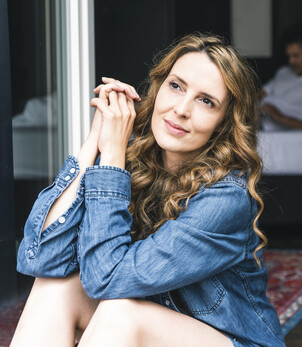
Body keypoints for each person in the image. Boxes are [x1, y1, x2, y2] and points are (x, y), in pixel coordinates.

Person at [12, 33, 285, 347]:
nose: (181, 108)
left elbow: (107, 280)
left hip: (230, 340)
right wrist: (96, 139)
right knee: (56, 288)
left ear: (224, 122)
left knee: (120, 311)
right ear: (158, 88)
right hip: (147, 328)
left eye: (206, 101)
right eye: (176, 86)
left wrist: (112, 157)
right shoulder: (133, 157)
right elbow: (41, 259)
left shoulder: (226, 198)